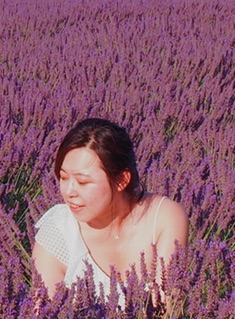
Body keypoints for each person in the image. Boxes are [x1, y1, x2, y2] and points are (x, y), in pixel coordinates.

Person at [32, 117, 188, 303]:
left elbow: (163, 317)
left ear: (121, 180)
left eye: (83, 182)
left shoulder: (163, 218)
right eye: (63, 178)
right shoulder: (58, 231)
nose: (68, 192)